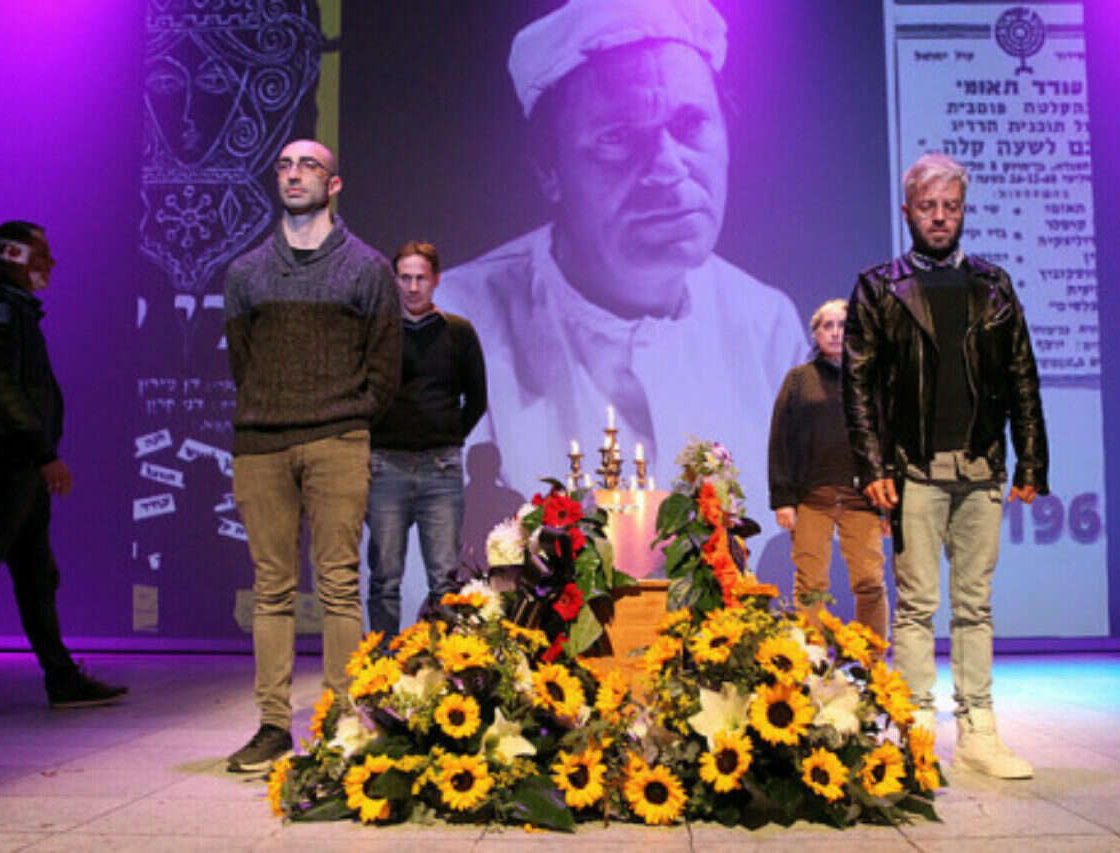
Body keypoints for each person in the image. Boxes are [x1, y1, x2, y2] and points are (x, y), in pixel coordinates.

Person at [438, 0, 805, 539]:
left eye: (690, 124)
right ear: (549, 169)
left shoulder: (766, 328)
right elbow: (423, 568)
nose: (667, 168)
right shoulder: (457, 326)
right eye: (616, 138)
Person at [842, 152, 1048, 779]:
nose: (939, 217)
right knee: (915, 605)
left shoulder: (994, 284)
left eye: (950, 207)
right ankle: (912, 732)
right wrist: (871, 464)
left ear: (963, 212)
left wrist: (1032, 458)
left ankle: (979, 730)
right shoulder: (880, 287)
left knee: (974, 605)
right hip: (914, 469)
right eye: (929, 207)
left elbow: (1021, 374)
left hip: (982, 467)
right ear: (908, 211)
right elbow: (858, 385)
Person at [222, 139, 401, 772]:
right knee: (271, 587)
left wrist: (346, 416)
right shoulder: (246, 272)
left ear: (334, 183)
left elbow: (385, 369)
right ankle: (273, 725)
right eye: (284, 166)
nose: (294, 175)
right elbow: (244, 362)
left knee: (339, 584)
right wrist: (271, 407)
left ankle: (340, 722)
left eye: (309, 166)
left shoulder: (367, 269)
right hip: (262, 442)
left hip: (335, 439)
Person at [0, 221, 128, 708]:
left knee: (37, 575)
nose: (51, 265)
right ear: (14, 257)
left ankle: (61, 677)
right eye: (41, 255)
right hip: (4, 462)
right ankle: (61, 676)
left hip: (23, 465)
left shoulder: (16, 312)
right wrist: (43, 453)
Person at [366, 241, 486, 632]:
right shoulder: (378, 333)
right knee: (385, 577)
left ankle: (444, 661)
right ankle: (381, 658)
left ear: (436, 280)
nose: (413, 287)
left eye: (421, 278)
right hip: (386, 465)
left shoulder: (459, 332)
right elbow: (363, 394)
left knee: (444, 580)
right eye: (405, 278)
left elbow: (477, 399)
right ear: (395, 280)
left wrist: (449, 437)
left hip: (441, 467)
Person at [768, 299, 888, 639]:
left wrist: (890, 506)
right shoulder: (799, 380)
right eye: (827, 326)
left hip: (863, 498)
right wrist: (783, 499)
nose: (836, 333)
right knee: (810, 584)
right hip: (812, 499)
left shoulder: (871, 379)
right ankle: (813, 659)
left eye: (844, 326)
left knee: (869, 581)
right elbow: (781, 440)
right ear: (816, 334)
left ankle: (873, 660)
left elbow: (887, 439)